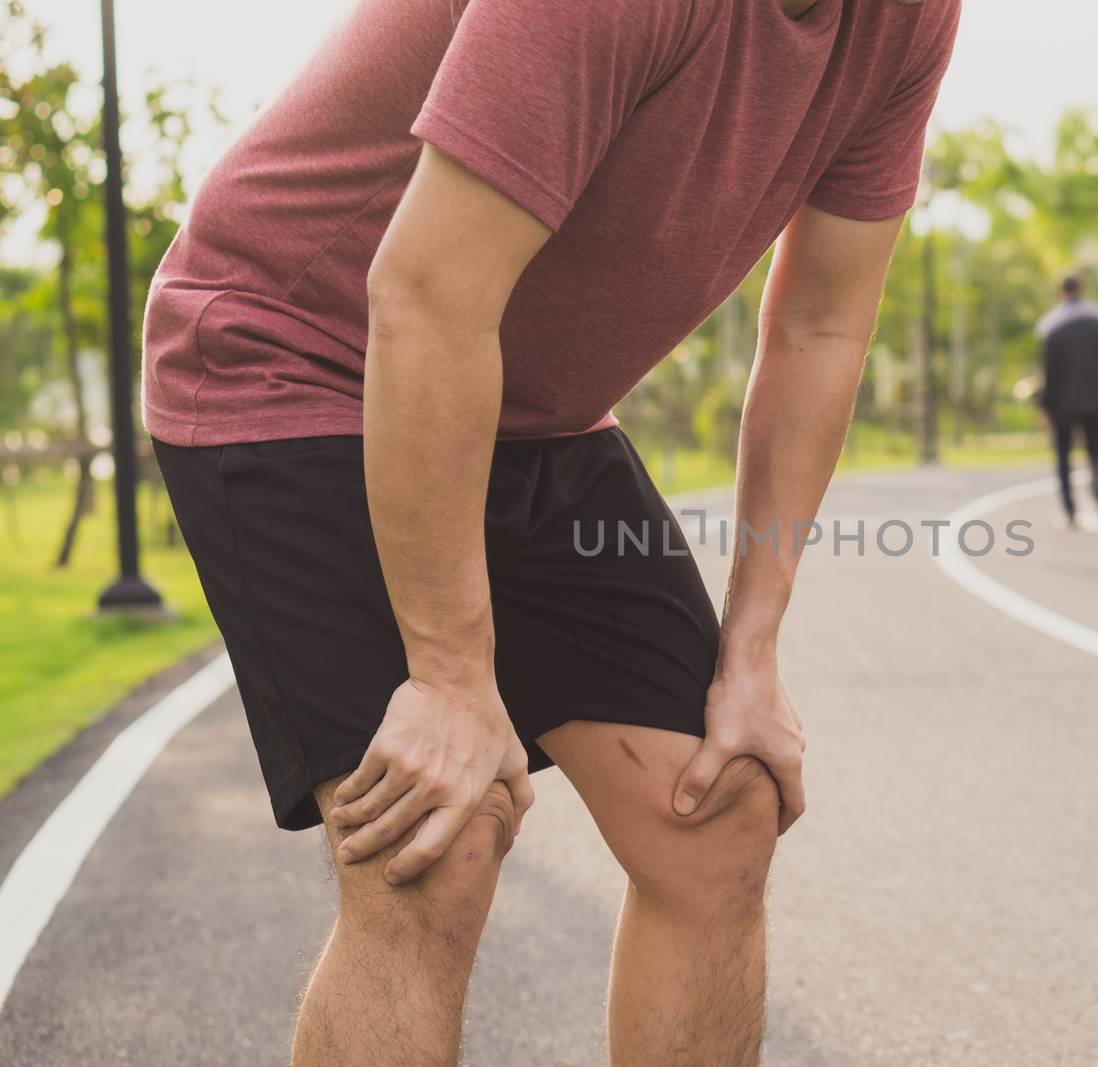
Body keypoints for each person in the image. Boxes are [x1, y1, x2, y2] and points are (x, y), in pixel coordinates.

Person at [140, 0, 960, 1063]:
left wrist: (752, 652)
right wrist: (447, 675)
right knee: (437, 837)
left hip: (530, 406)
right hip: (292, 357)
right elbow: (426, 296)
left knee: (718, 807)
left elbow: (820, 324)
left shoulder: (906, 18)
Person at [1035, 274, 1098, 527]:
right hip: (1097, 401)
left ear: (1060, 293)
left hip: (1062, 405)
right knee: (1097, 450)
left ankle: (1069, 510)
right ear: (1082, 290)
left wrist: (1043, 406)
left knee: (1063, 457)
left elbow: (1047, 372)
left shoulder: (1051, 326)